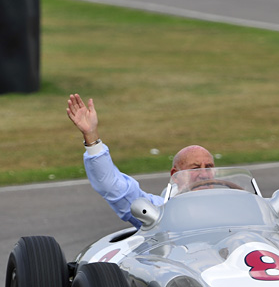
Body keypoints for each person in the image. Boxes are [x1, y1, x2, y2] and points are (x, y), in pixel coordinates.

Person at [66, 93, 215, 227]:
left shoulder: (232, 203)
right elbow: (113, 187)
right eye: (195, 168)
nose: (203, 174)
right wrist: (91, 136)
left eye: (208, 167)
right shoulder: (160, 212)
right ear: (176, 175)